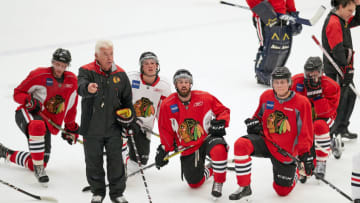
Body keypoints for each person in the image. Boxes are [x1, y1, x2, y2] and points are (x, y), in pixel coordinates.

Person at [229, 66, 314, 201]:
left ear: (289, 83)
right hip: (267, 141)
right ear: (272, 83)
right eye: (276, 82)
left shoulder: (302, 103)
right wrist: (253, 123)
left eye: (283, 82)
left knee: (281, 192)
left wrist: (305, 154)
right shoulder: (266, 96)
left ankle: (296, 172)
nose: (279, 86)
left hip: (285, 151)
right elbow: (258, 116)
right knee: (241, 144)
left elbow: (306, 131)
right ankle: (244, 187)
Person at [0, 48, 79, 185]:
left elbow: (71, 108)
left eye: (63, 66)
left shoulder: (72, 81)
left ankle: (5, 152)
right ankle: (39, 169)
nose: (59, 68)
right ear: (53, 62)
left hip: (47, 124)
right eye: (57, 64)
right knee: (38, 125)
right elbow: (17, 93)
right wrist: (28, 100)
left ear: (67, 66)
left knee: (38, 160)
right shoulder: (39, 74)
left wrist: (70, 129)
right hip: (27, 114)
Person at [155, 69, 230, 199]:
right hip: (189, 145)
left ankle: (219, 181)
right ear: (175, 85)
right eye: (180, 82)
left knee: (218, 149)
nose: (183, 85)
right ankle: (212, 167)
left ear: (191, 84)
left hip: (207, 138)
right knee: (195, 183)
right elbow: (165, 130)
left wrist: (220, 122)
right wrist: (165, 149)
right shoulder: (167, 105)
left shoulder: (204, 97)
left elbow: (223, 111)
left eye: (186, 82)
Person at [78, 40, 133, 203]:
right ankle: (97, 192)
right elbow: (80, 87)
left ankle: (117, 194)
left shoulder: (121, 74)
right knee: (93, 161)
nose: (109, 58)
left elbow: (127, 101)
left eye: (111, 54)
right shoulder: (86, 71)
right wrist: (88, 88)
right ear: (96, 56)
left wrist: (130, 117)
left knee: (116, 161)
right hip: (91, 128)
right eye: (105, 54)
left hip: (114, 128)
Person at [291, 56, 340, 181]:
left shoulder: (331, 86)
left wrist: (318, 96)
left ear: (321, 71)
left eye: (315, 72)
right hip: (304, 117)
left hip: (324, 117)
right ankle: (301, 162)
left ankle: (321, 161)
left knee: (319, 126)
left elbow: (327, 111)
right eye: (309, 71)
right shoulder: (295, 82)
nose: (311, 75)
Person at [121, 51, 171, 173]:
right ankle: (120, 160)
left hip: (144, 127)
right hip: (127, 120)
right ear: (141, 67)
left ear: (157, 66)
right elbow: (119, 100)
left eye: (153, 63)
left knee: (141, 161)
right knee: (120, 140)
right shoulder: (131, 78)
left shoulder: (164, 86)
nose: (150, 66)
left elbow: (163, 114)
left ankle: (127, 154)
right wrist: (127, 120)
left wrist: (168, 139)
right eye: (146, 63)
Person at [321, 0, 360, 139]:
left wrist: (358, 4)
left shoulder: (343, 19)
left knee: (350, 95)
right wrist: (345, 69)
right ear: (341, 6)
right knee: (340, 100)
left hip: (344, 68)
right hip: (336, 69)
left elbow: (358, 19)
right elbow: (337, 50)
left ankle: (342, 128)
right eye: (350, 10)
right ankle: (333, 131)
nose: (352, 14)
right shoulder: (334, 22)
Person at [246, 0, 303, 85]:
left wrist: (293, 13)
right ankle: (261, 74)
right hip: (263, 18)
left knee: (280, 46)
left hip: (281, 17)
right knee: (266, 45)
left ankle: (277, 72)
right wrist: (264, 11)